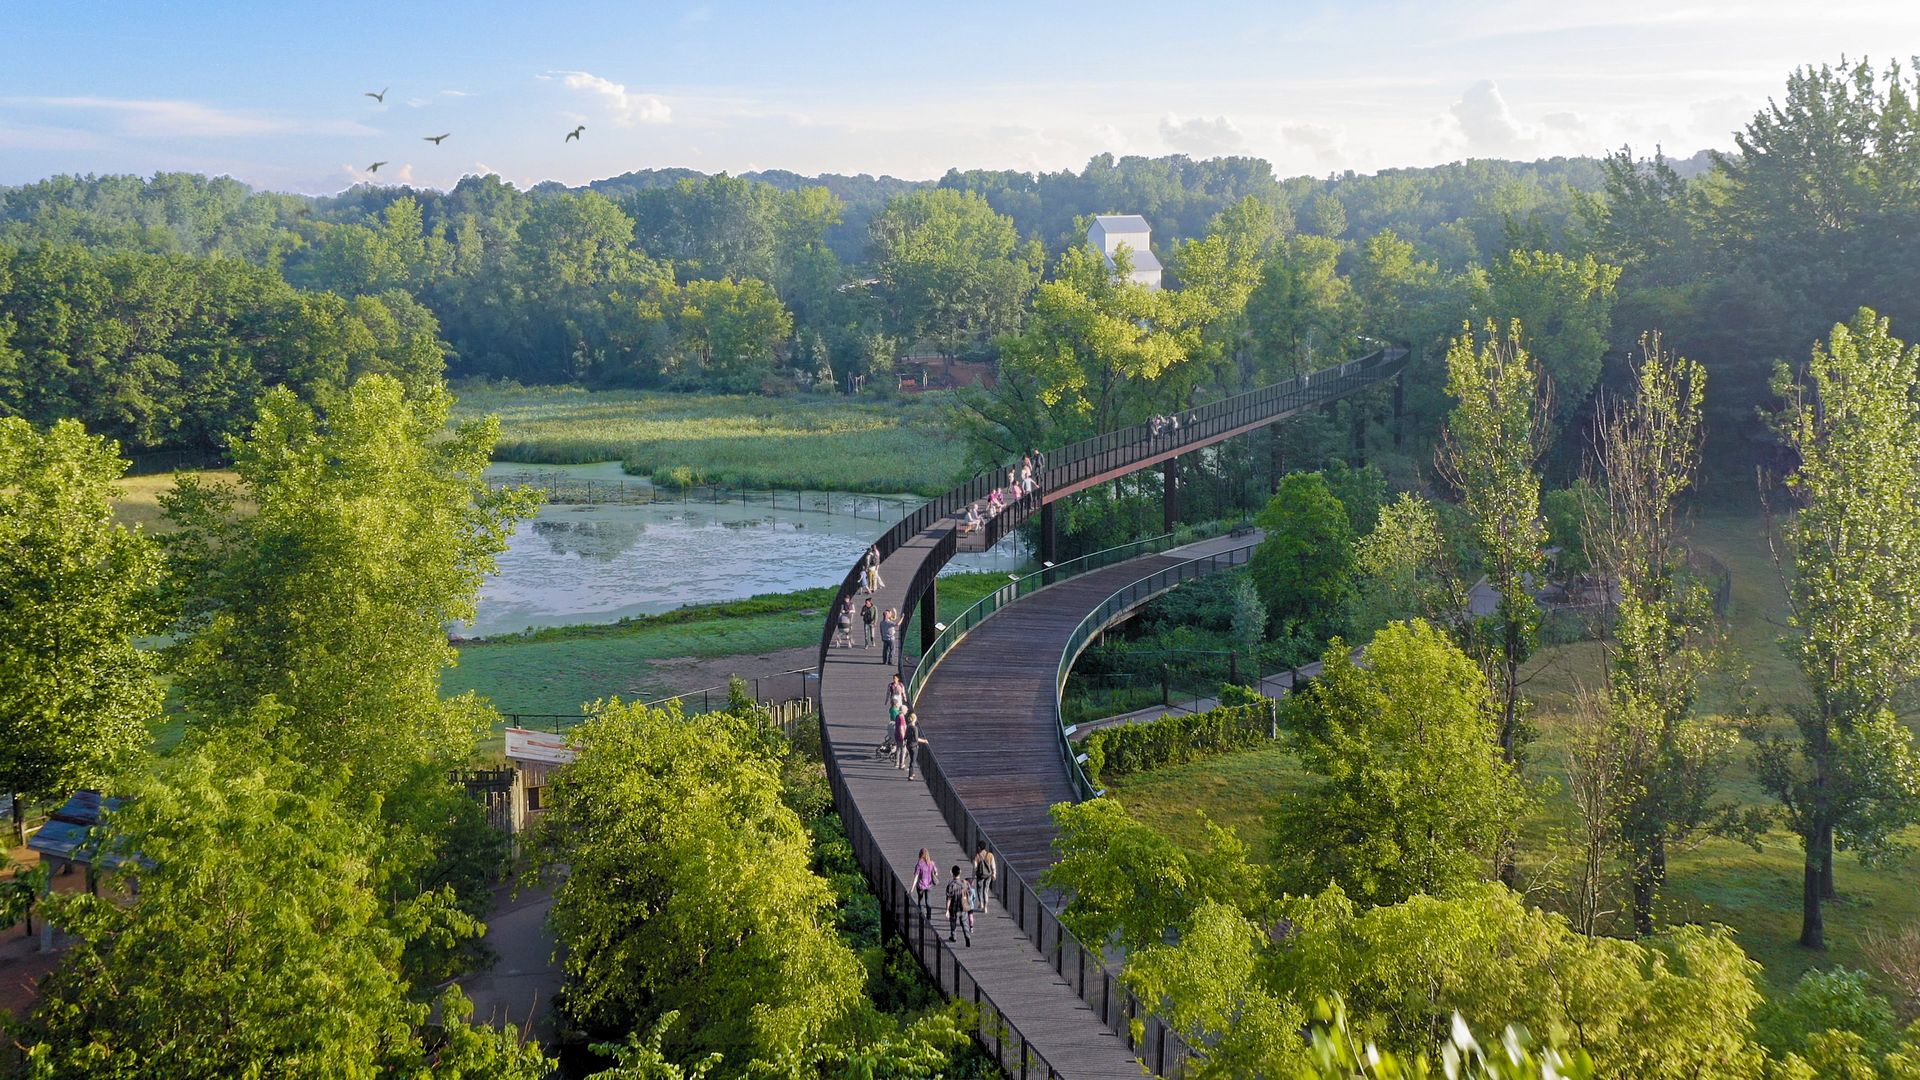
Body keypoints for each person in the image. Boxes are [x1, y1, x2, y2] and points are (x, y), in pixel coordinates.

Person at [945, 864, 972, 946]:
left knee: (953, 922)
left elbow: (949, 898)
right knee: (964, 923)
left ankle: (954, 937)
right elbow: (970, 893)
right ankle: (967, 937)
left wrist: (947, 910)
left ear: (952, 873)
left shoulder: (951, 885)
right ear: (960, 872)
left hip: (954, 908)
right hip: (963, 908)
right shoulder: (965, 883)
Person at [971, 841, 997, 914]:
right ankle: (985, 907)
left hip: (980, 875)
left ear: (979, 847)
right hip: (988, 875)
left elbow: (974, 868)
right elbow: (993, 866)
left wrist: (973, 878)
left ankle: (981, 903)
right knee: (986, 890)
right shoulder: (990, 855)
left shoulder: (977, 856)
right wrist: (994, 874)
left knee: (979, 889)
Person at [913, 848, 938, 916]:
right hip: (929, 885)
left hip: (921, 885)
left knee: (921, 901)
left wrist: (912, 888)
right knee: (928, 901)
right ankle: (929, 917)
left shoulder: (919, 864)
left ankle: (921, 916)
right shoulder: (931, 863)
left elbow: (916, 876)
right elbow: (936, 873)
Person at [903, 711, 923, 780]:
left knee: (911, 759)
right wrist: (925, 741)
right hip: (914, 746)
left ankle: (912, 773)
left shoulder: (908, 726)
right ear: (915, 719)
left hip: (908, 745)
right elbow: (916, 739)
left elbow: (905, 736)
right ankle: (910, 775)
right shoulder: (915, 728)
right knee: (913, 761)